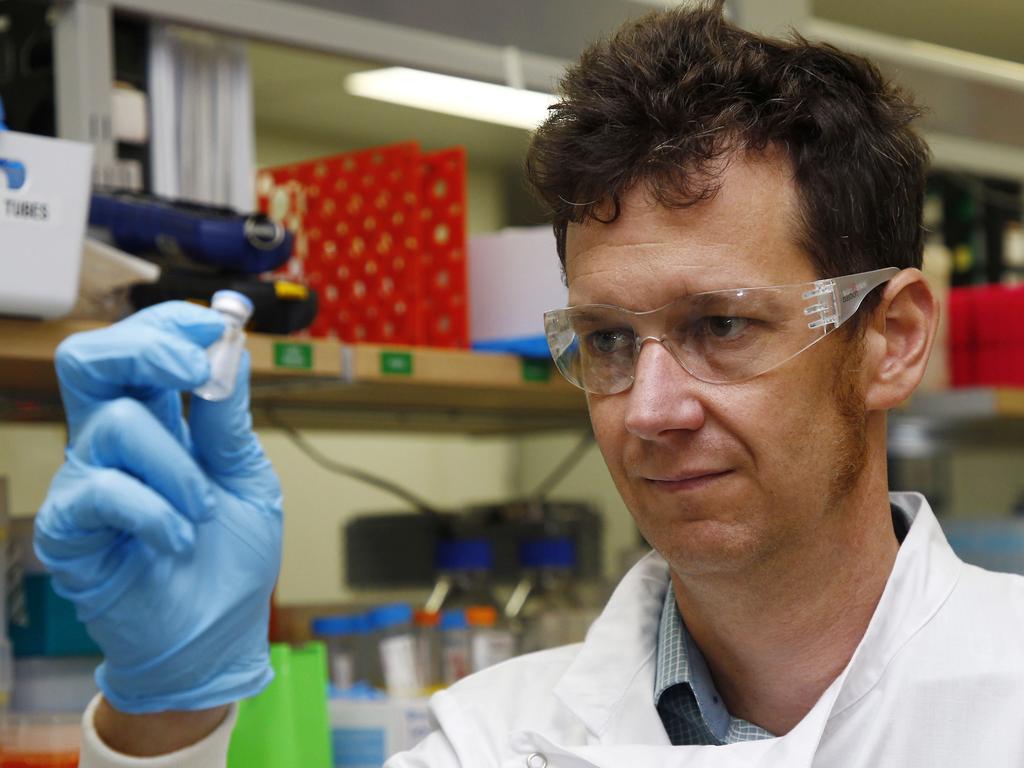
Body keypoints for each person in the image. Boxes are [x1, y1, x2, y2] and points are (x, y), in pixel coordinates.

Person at [37, 3, 1024, 767]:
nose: (649, 410)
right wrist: (164, 712)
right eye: (603, 339)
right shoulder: (492, 741)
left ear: (890, 341)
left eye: (720, 326)